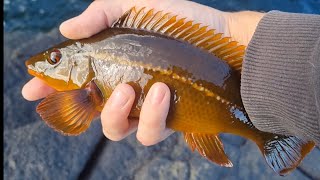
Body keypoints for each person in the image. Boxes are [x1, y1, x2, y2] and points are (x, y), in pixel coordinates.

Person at [22, 0, 320, 146]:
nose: (42, 64)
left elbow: (69, 117)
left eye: (55, 57)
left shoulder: (87, 84)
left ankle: (264, 135)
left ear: (77, 59)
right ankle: (263, 133)